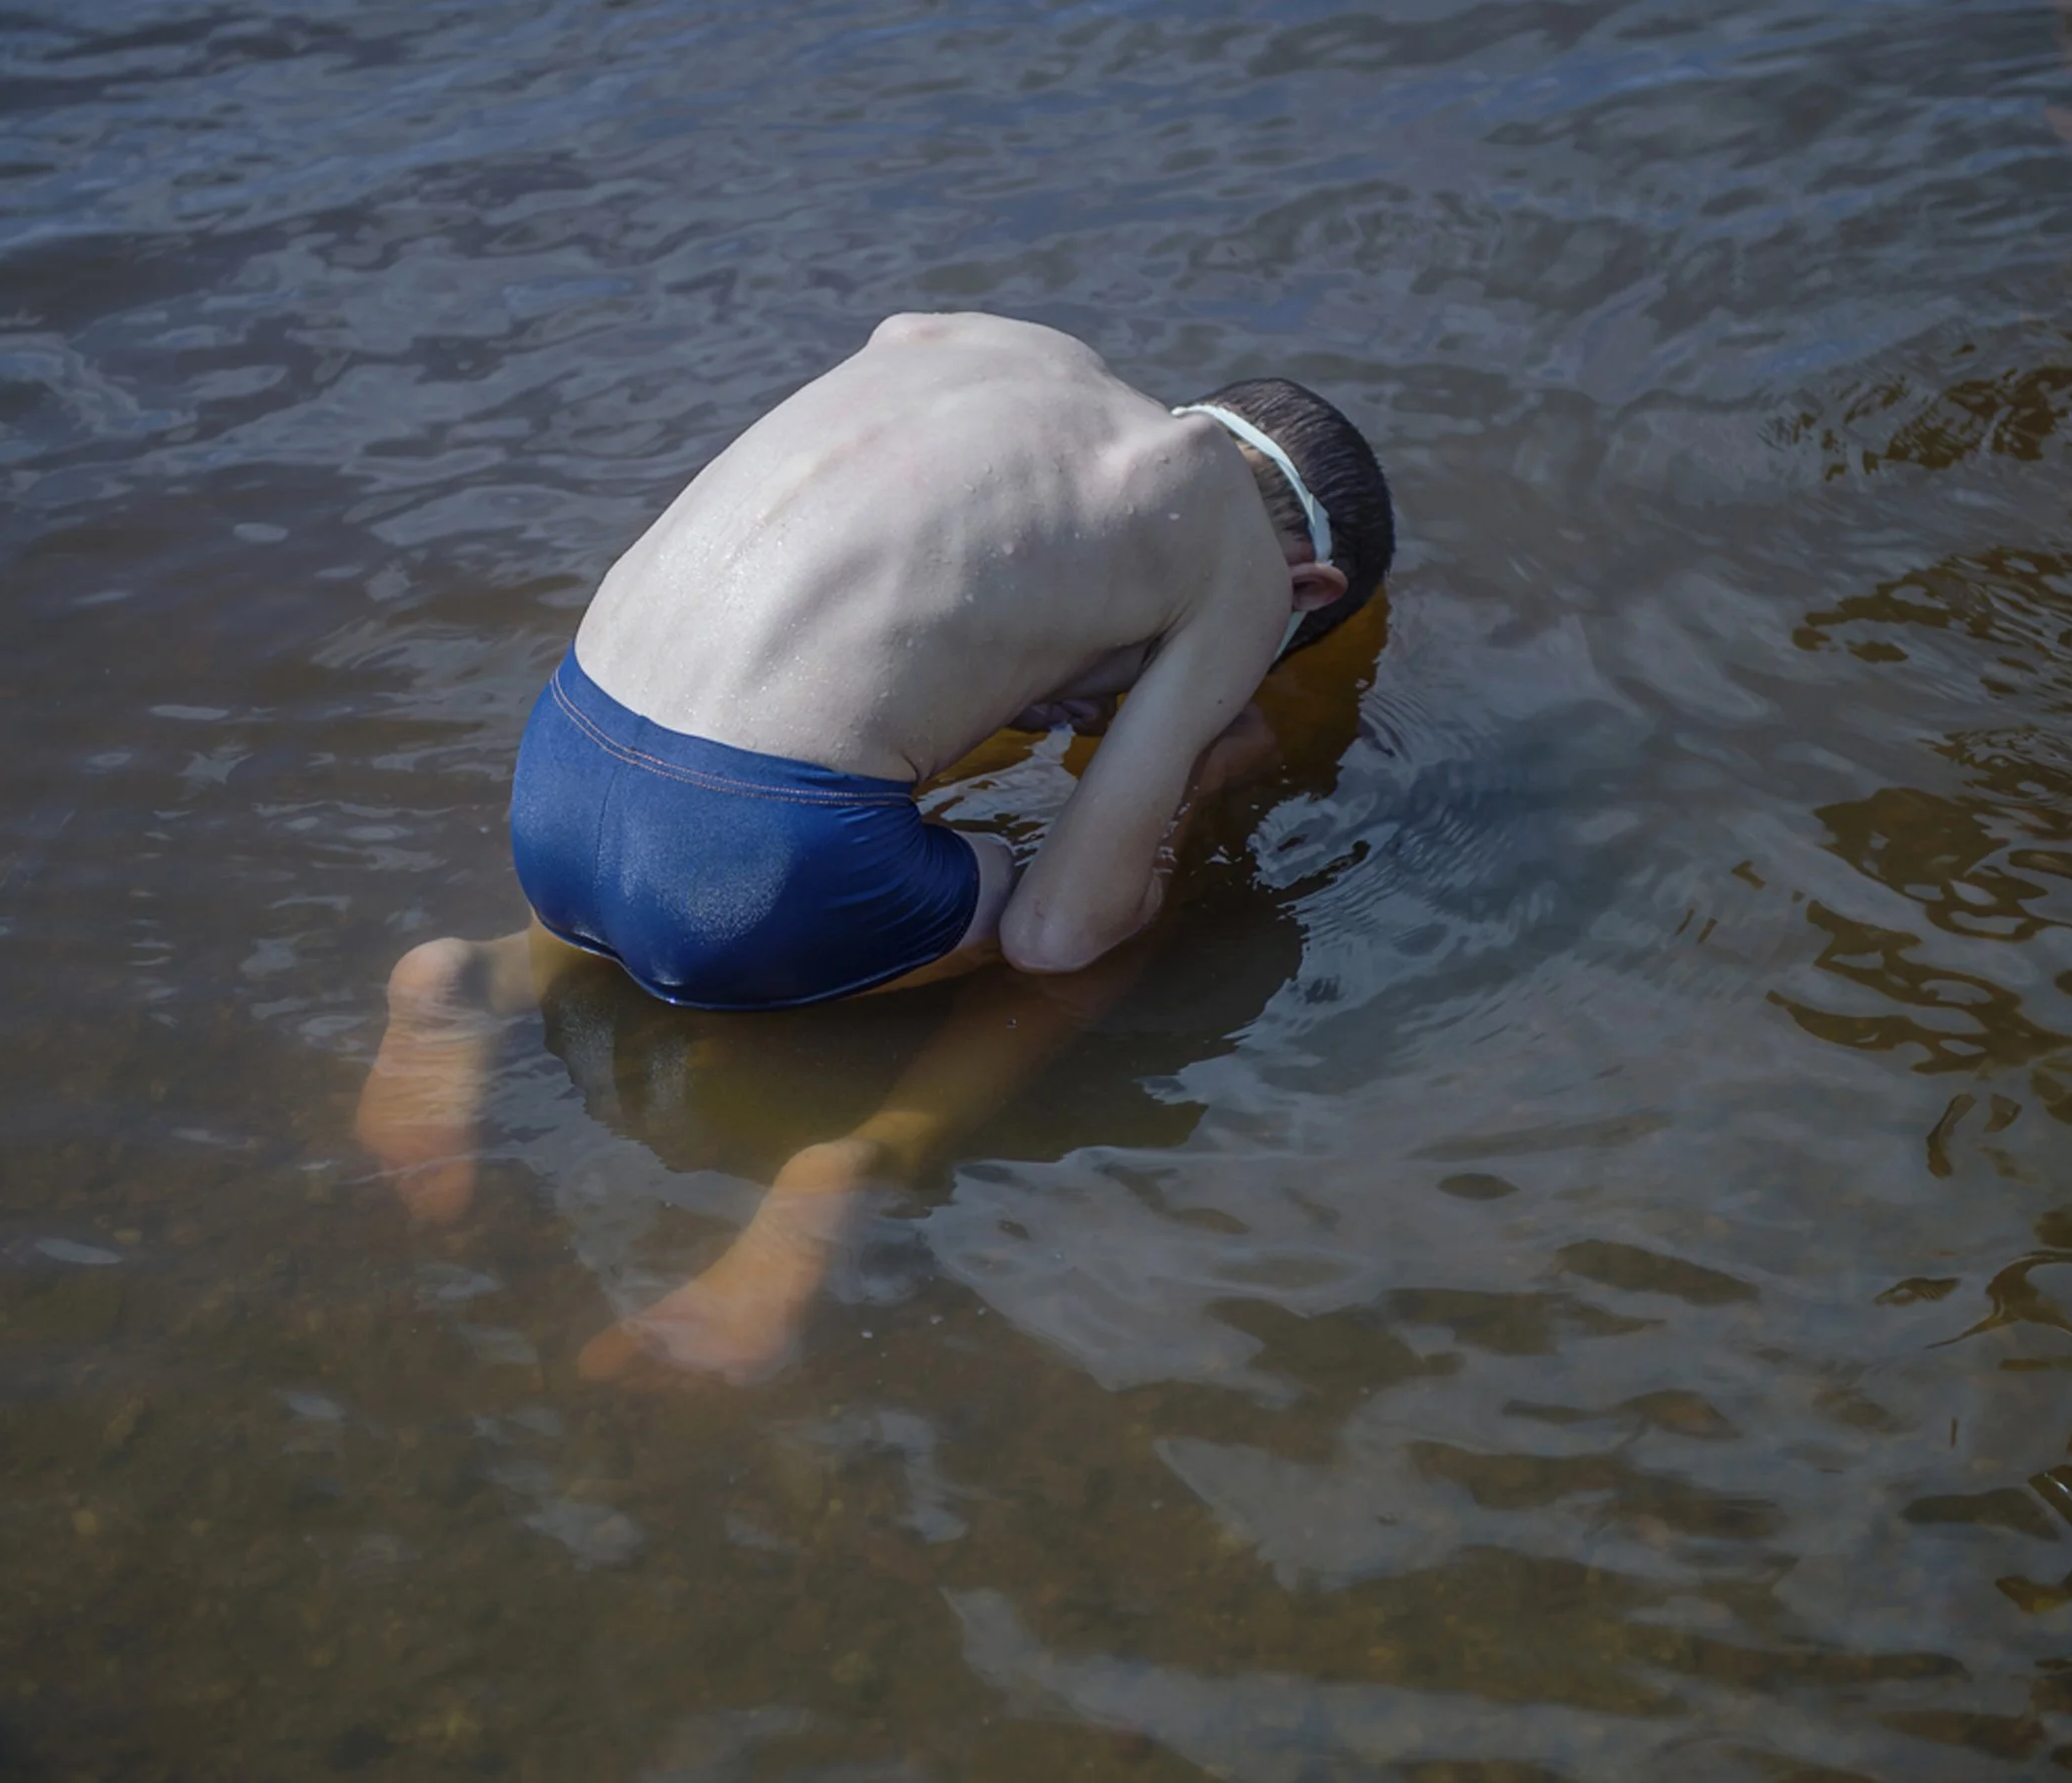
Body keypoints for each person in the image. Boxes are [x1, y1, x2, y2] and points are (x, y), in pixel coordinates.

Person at [357, 310, 1394, 1381]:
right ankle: (863, 1161)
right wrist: (1200, 774)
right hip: (755, 872)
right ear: (1306, 591)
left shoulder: (968, 345)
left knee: (850, 724)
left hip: (557, 776)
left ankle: (480, 974)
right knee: (1119, 923)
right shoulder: (1243, 561)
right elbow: (1057, 935)